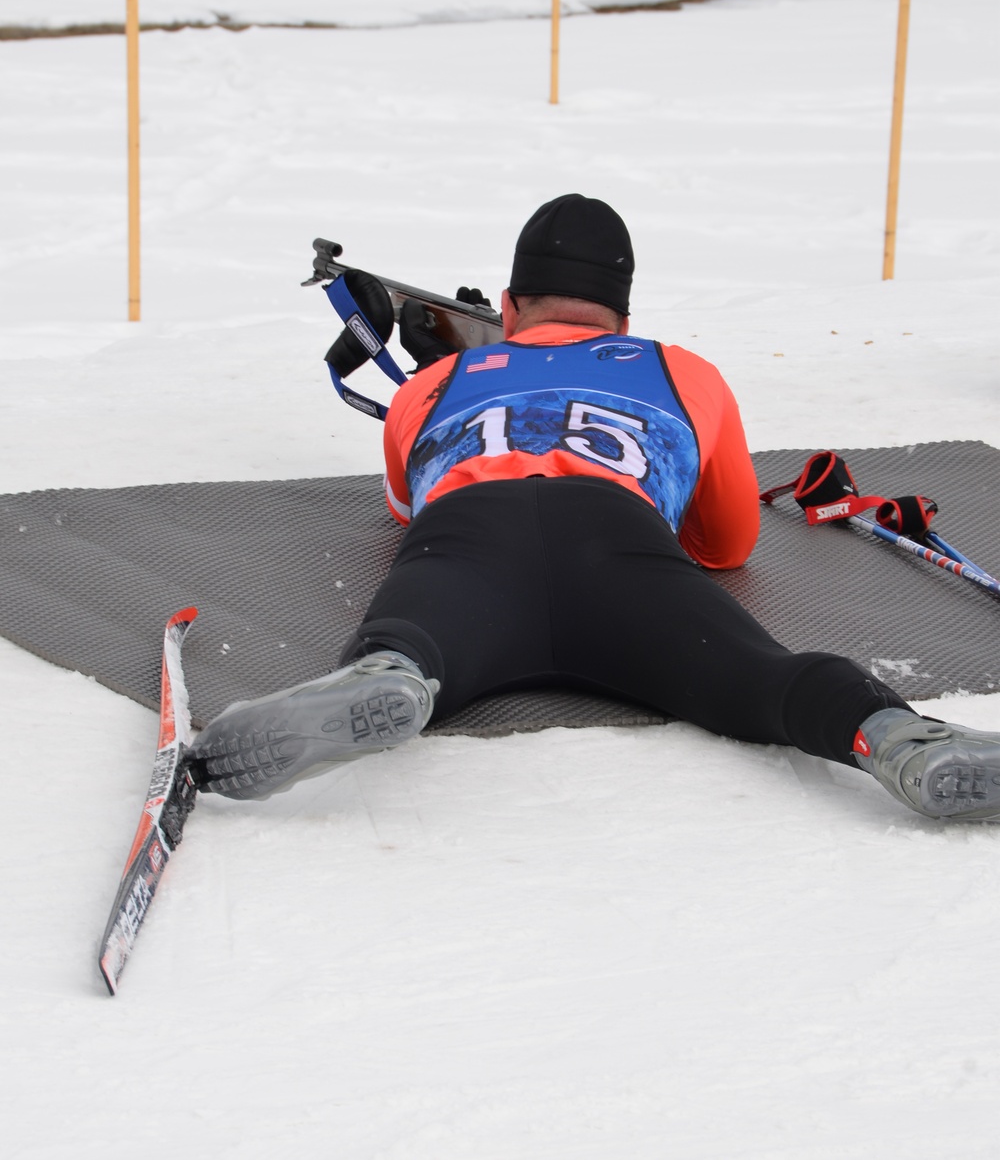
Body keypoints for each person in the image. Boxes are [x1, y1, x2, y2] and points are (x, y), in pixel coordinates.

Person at [187, 194, 1000, 822]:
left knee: (417, 630)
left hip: (470, 532)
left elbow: (408, 506)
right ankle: (894, 737)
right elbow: (729, 542)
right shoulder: (683, 370)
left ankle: (389, 672)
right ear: (626, 319)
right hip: (617, 539)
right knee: (768, 682)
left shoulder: (434, 386)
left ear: (506, 307)